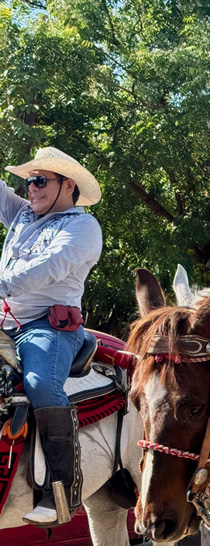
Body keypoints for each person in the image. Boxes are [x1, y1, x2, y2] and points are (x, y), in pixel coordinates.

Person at [1, 147, 103, 525]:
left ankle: (61, 490)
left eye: (40, 180)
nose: (31, 188)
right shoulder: (23, 214)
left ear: (67, 185)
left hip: (46, 327)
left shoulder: (83, 226)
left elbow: (51, 265)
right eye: (29, 181)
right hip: (5, 324)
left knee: (40, 381)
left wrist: (1, 284)